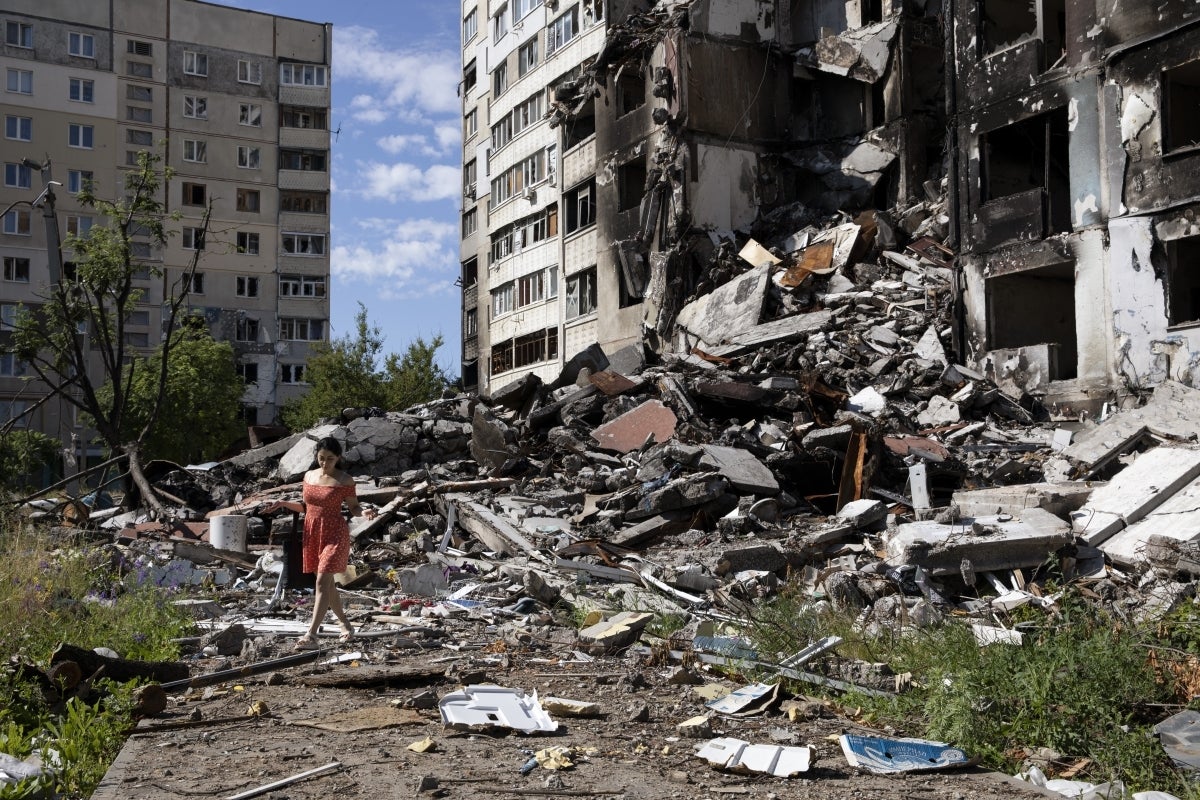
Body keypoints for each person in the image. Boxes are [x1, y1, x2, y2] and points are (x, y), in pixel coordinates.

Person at [292, 436, 376, 651]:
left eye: (330, 459)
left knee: (321, 582)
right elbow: (305, 506)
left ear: (338, 458)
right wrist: (282, 503)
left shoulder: (344, 480)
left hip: (335, 533)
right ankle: (345, 625)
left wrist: (363, 512)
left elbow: (354, 507)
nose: (325, 463)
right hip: (312, 532)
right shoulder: (309, 476)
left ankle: (311, 635)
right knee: (327, 584)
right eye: (321, 458)